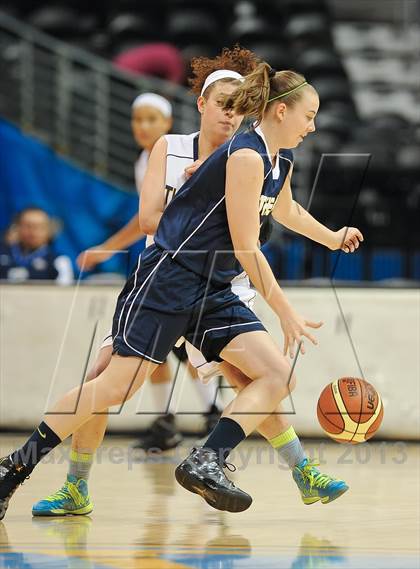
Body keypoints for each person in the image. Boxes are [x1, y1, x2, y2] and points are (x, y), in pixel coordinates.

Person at [0, 63, 363, 520]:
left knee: (275, 376)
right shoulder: (244, 155)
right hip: (171, 276)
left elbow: (285, 209)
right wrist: (285, 310)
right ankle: (14, 470)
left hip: (214, 286)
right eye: (308, 115)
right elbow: (247, 245)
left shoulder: (278, 158)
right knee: (113, 385)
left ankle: (207, 460)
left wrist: (332, 237)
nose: (313, 126)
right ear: (281, 111)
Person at [28, 46, 259, 518]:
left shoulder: (244, 156)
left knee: (258, 376)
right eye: (138, 121)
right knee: (110, 376)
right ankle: (85, 478)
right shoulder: (163, 153)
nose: (143, 128)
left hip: (212, 281)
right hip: (162, 277)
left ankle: (289, 463)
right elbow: (150, 219)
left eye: (152, 119)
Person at [0, 207, 73, 285]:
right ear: (17, 227)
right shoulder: (3, 252)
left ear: (48, 230)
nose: (33, 231)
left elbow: (64, 293)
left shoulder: (59, 261)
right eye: (28, 226)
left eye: (39, 227)